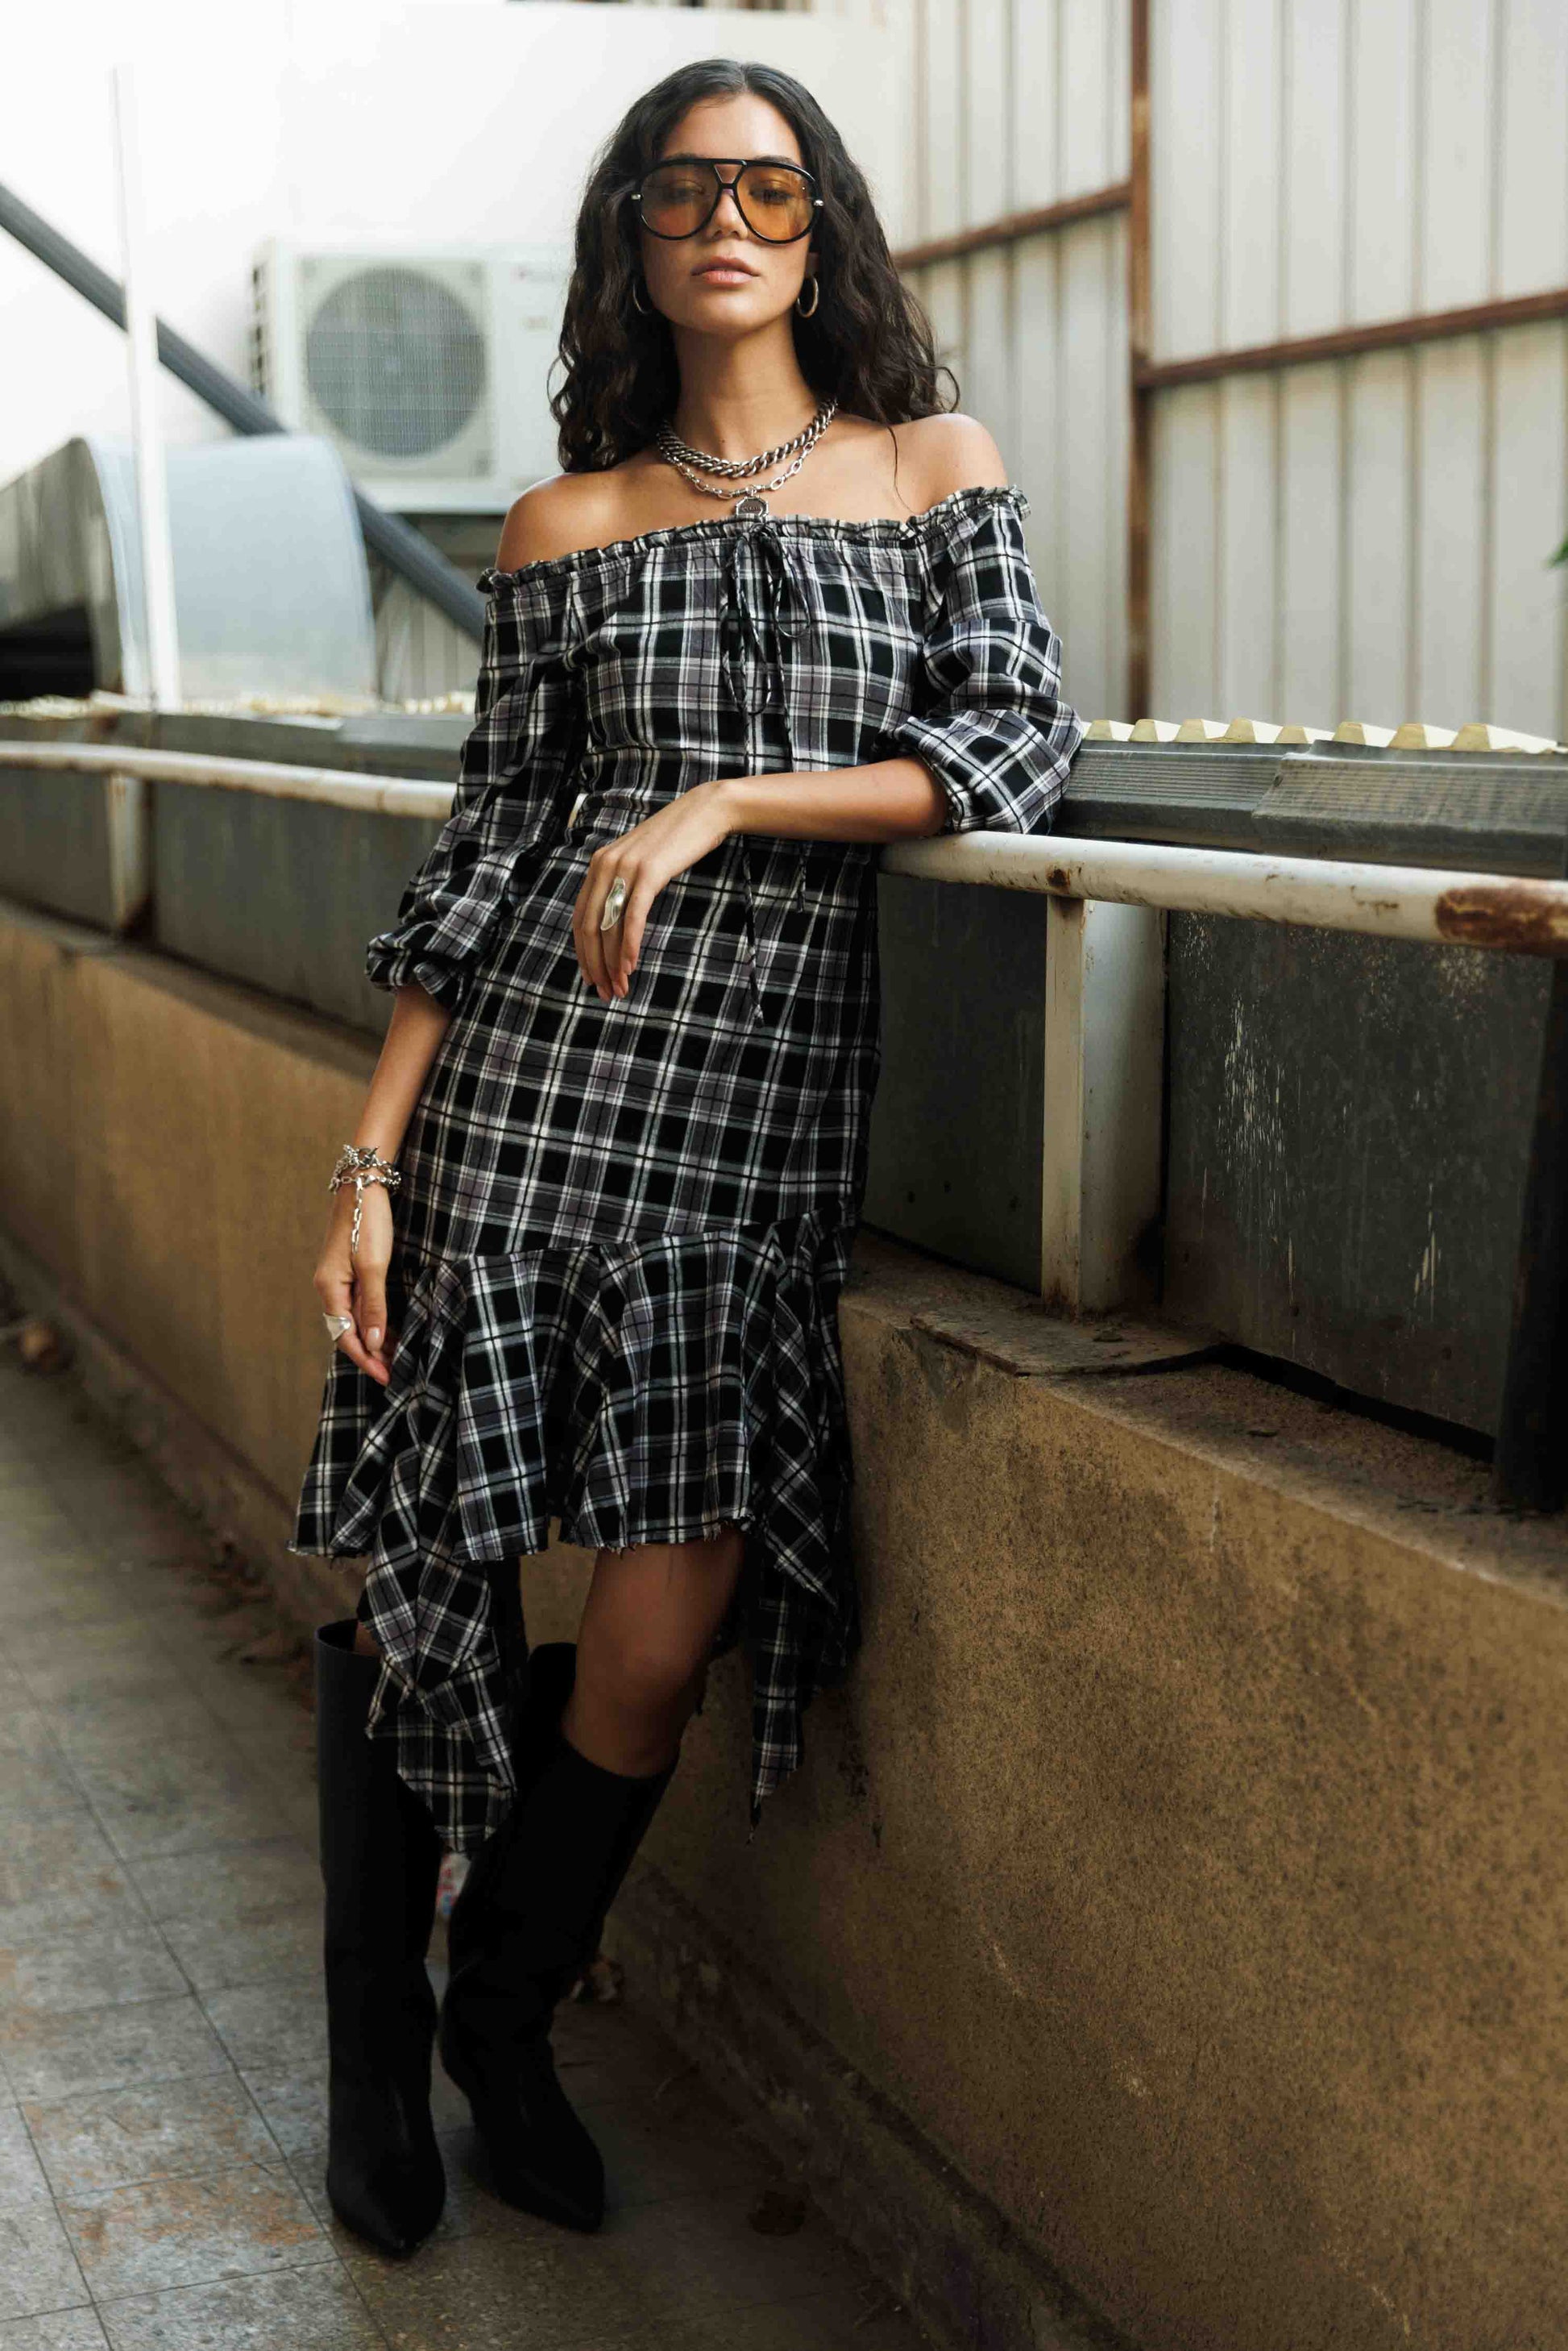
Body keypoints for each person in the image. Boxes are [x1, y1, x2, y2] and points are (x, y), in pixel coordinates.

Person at [287, 54, 1084, 2263]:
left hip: (748, 1143)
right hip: (530, 1113)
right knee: (441, 1574)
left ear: (823, 232)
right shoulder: (563, 526)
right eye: (683, 188)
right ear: (631, 235)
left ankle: (502, 2012)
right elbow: (485, 864)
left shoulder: (932, 467)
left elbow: (1018, 734)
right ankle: (377, 2070)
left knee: (660, 1627)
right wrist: (368, 1169)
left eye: (769, 188)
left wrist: (728, 798)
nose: (726, 220)